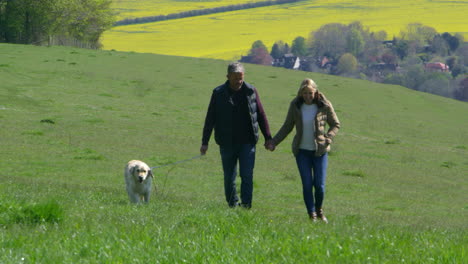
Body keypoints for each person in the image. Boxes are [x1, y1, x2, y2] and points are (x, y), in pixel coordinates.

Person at [200, 62, 273, 208]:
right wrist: (205, 142)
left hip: (248, 142)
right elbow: (210, 118)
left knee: (247, 175)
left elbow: (261, 114)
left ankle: (246, 205)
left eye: (241, 78)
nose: (239, 81)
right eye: (235, 78)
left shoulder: (251, 91)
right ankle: (232, 205)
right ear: (228, 77)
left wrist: (268, 138)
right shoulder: (218, 93)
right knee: (229, 177)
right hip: (227, 142)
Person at [266, 78, 340, 222]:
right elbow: (287, 126)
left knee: (319, 186)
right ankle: (311, 214)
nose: (307, 96)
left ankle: (319, 210)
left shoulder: (324, 105)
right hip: (302, 152)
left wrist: (328, 138)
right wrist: (274, 142)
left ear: (316, 92)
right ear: (300, 93)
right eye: (304, 93)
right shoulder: (295, 106)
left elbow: (335, 124)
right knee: (307, 184)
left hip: (320, 152)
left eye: (310, 93)